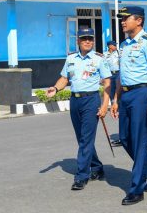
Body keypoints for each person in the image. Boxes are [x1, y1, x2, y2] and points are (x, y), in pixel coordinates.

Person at [111, 6, 147, 206]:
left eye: (127, 18)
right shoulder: (125, 45)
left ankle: (136, 189)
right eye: (122, 19)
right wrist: (116, 100)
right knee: (125, 138)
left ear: (139, 21)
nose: (123, 22)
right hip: (126, 95)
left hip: (142, 94)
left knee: (140, 140)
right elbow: (120, 75)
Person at [46, 28, 111, 190]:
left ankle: (82, 175)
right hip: (75, 101)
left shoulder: (99, 59)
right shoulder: (71, 59)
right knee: (82, 138)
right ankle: (96, 167)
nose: (87, 41)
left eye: (90, 38)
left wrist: (104, 105)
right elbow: (64, 78)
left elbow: (108, 82)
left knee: (85, 139)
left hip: (91, 100)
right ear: (78, 41)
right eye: (84, 39)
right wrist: (55, 88)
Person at [104, 40, 123, 147]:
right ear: (109, 46)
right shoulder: (105, 55)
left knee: (119, 93)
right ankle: (114, 105)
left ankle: (118, 106)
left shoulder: (119, 53)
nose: (115, 46)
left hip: (118, 74)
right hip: (110, 75)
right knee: (112, 93)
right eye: (113, 45)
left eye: (116, 45)